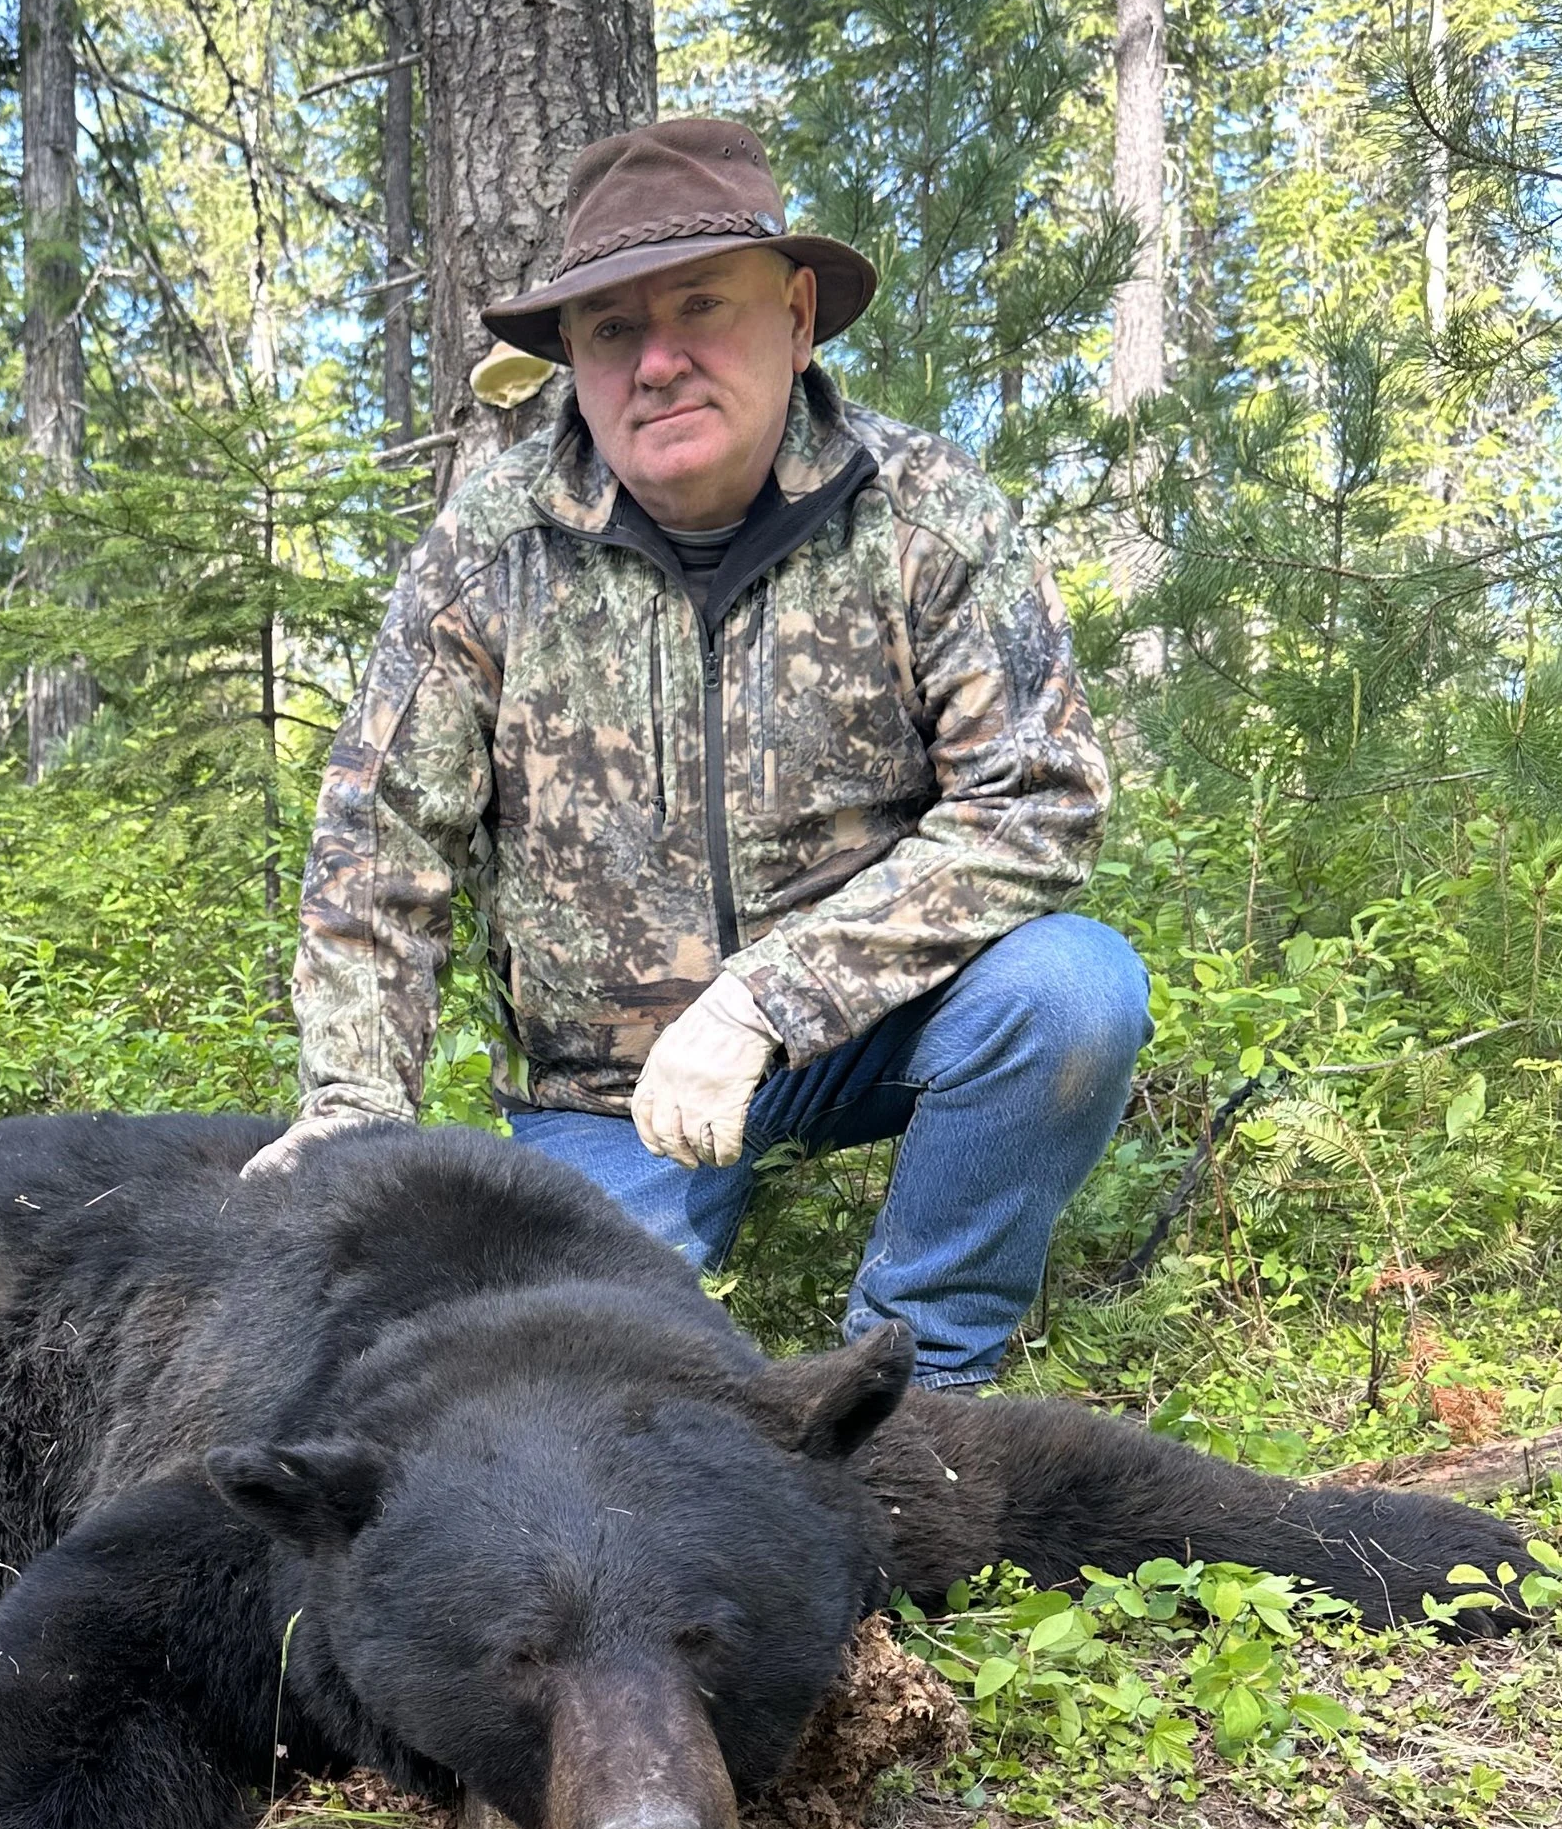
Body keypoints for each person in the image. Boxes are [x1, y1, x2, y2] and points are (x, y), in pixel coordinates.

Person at [242, 114, 1150, 1390]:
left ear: (793, 315)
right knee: (581, 1371)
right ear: (571, 357)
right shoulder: (491, 546)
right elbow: (381, 842)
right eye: (614, 329)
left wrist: (765, 999)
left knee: (1071, 994)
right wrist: (348, 1113)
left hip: (871, 1028)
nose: (657, 362)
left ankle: (930, 1379)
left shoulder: (926, 514)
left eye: (700, 309)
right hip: (602, 1095)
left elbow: (1035, 799)